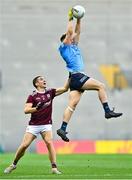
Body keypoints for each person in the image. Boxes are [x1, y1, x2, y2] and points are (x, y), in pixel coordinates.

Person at [57, 9, 123, 142]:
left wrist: (79, 19)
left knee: (72, 105)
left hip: (73, 78)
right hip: (76, 76)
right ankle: (107, 111)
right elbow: (70, 32)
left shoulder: (74, 46)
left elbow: (77, 31)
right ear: (64, 40)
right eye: (68, 37)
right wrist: (70, 18)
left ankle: (62, 129)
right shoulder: (64, 47)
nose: (71, 37)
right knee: (101, 86)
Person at [4, 75, 69, 174]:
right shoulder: (32, 96)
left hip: (46, 124)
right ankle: (13, 164)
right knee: (24, 145)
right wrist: (36, 108)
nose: (44, 80)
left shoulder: (50, 92)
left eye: (44, 79)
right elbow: (26, 110)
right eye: (41, 79)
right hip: (34, 125)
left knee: (49, 142)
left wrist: (71, 76)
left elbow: (65, 88)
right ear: (36, 84)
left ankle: (54, 168)